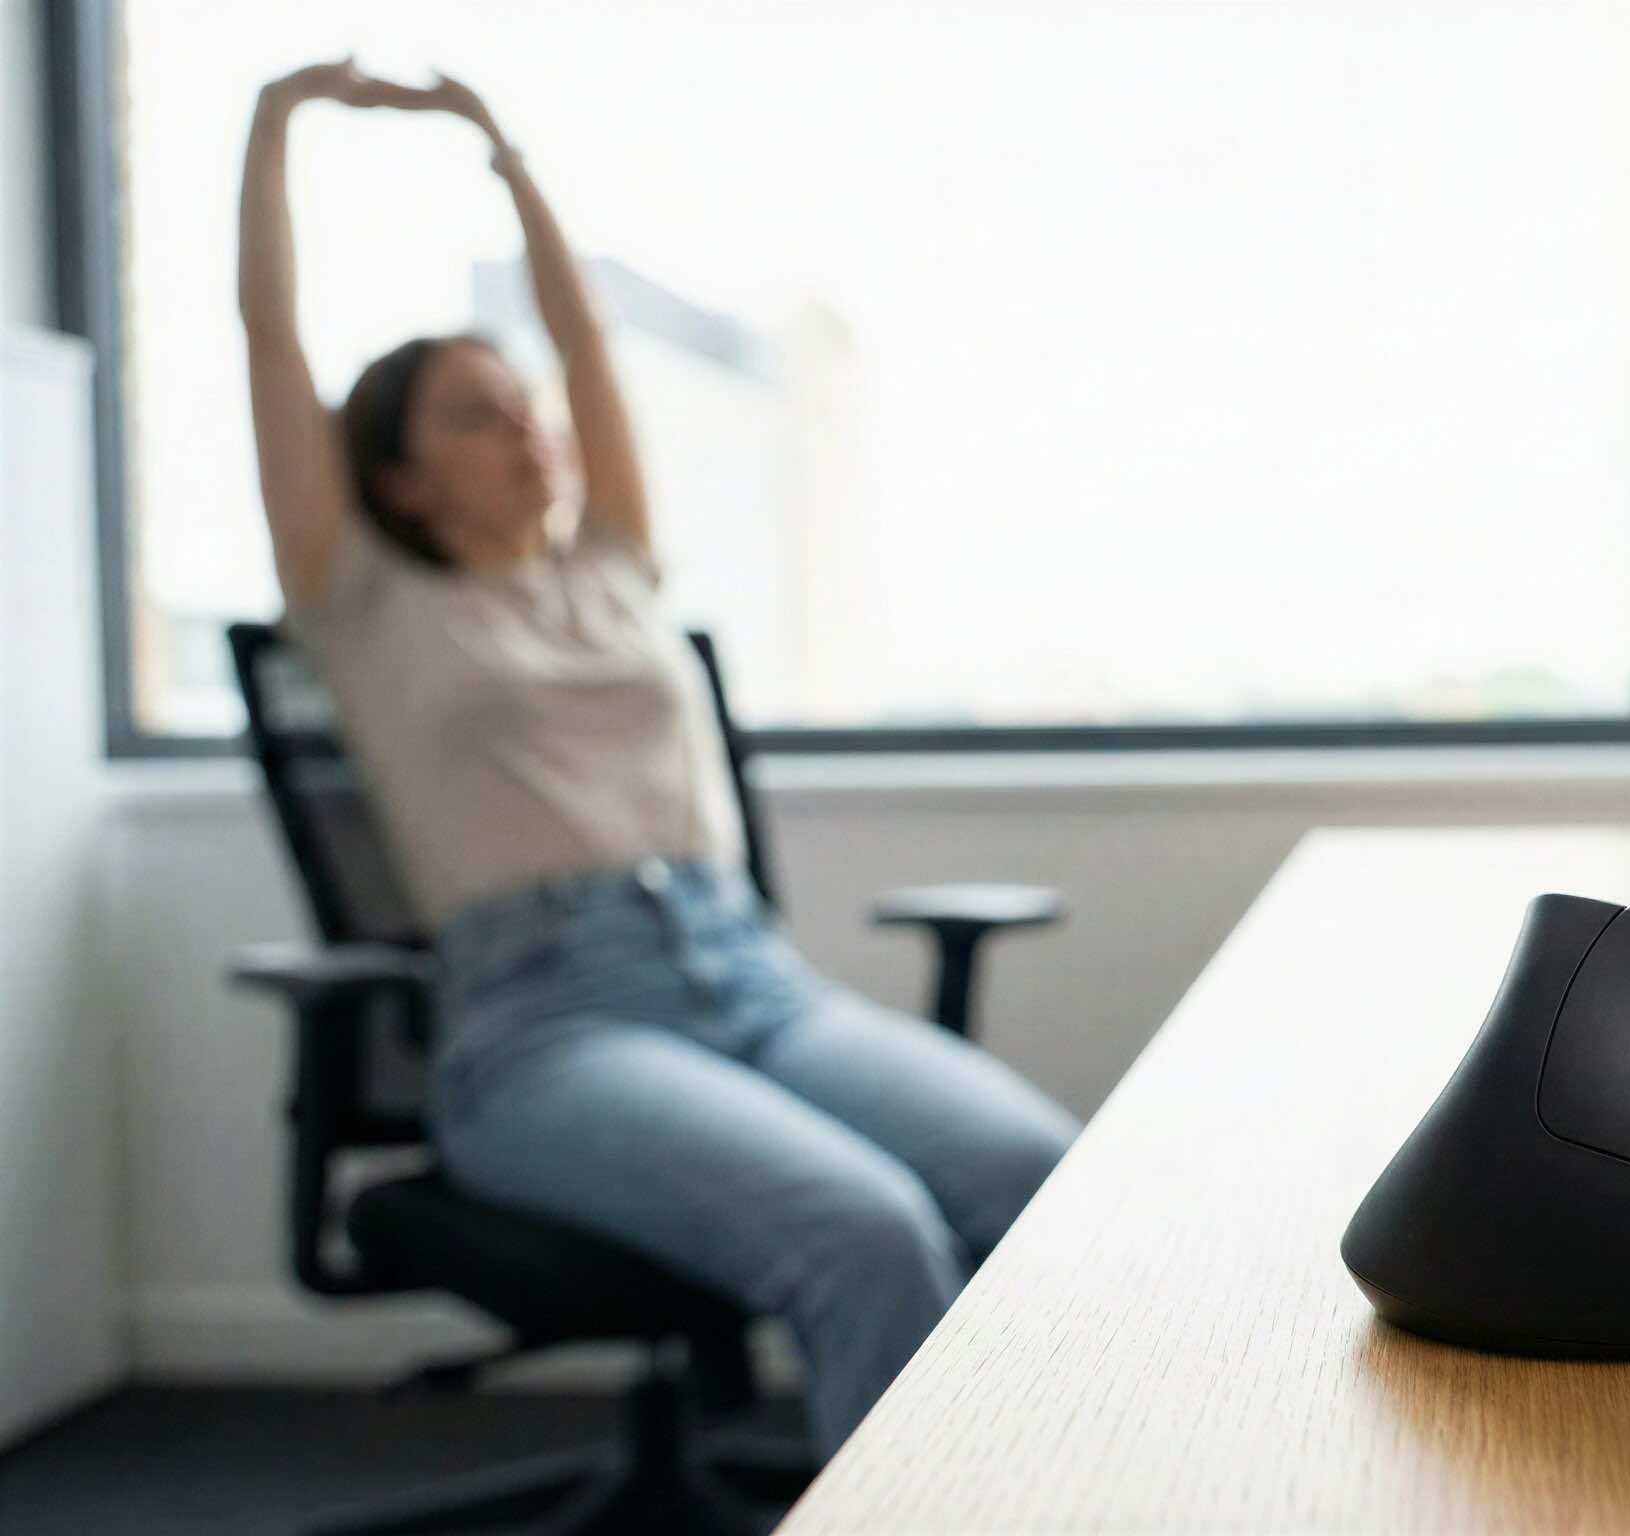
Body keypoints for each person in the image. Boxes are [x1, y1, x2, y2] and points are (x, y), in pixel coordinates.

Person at [236, 59, 1078, 1454]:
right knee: (867, 1234)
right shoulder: (368, 605)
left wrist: (505, 154)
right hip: (550, 1030)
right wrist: (276, 125)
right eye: (471, 416)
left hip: (746, 978)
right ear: (395, 478)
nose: (523, 427)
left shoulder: (615, 566)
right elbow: (267, 342)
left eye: (522, 407)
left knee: (1046, 1179)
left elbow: (589, 356)